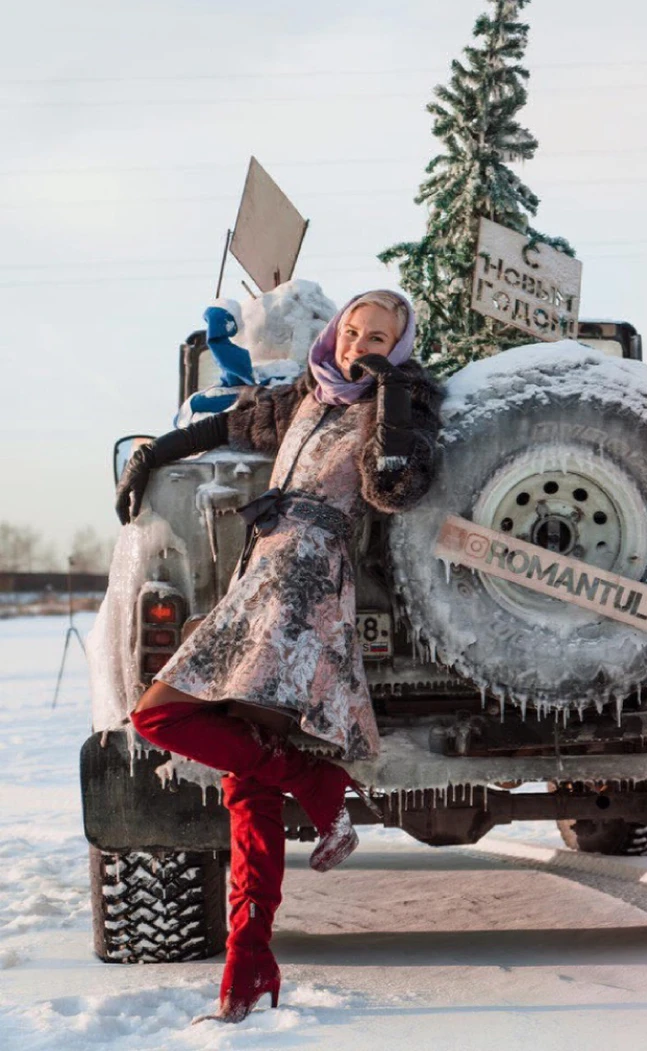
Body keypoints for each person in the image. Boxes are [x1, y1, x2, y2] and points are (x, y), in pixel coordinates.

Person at [115, 290, 442, 1023]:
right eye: (353, 329)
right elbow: (229, 423)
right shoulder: (305, 392)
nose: (360, 342)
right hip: (258, 574)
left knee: (158, 717)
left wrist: (388, 384)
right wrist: (152, 454)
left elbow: (393, 482)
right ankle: (248, 967)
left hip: (304, 585)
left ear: (402, 343)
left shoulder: (405, 404)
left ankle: (315, 785)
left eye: (380, 335)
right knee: (244, 781)